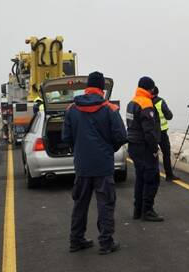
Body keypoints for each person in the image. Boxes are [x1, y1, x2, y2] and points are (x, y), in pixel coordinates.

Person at [62, 71, 127, 255]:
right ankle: (106, 243)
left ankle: (76, 240)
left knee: (80, 203)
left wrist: (80, 148)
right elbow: (121, 136)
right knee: (105, 203)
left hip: (82, 165)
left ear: (87, 86)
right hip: (103, 165)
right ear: (101, 88)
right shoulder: (109, 109)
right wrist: (109, 149)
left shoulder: (71, 109)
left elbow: (66, 137)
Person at [126, 76, 164, 222]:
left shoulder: (131, 103)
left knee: (140, 178)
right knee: (153, 178)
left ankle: (138, 210)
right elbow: (149, 131)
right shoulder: (146, 104)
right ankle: (147, 210)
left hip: (133, 146)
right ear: (150, 88)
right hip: (144, 147)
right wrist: (154, 148)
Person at [152, 86, 180, 181]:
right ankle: (169, 175)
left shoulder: (146, 102)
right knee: (166, 153)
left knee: (153, 154)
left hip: (151, 132)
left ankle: (154, 176)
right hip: (162, 132)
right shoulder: (160, 102)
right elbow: (169, 116)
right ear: (157, 92)